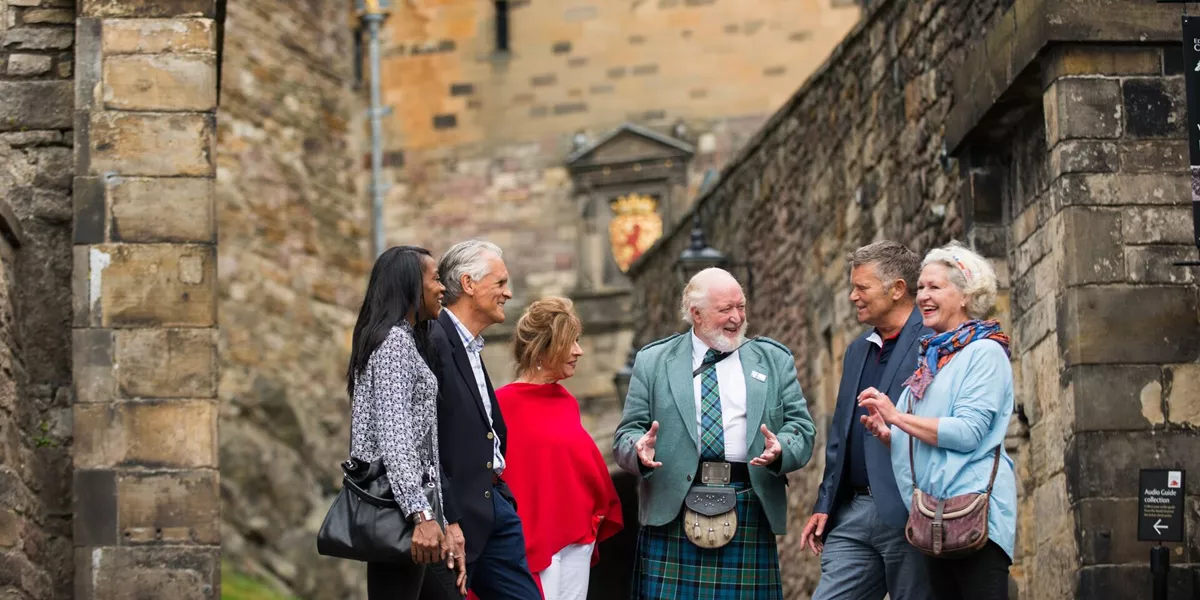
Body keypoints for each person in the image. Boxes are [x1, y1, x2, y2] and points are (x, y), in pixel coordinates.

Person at [613, 267, 817, 600]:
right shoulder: (654, 361)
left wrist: (782, 448)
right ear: (696, 314)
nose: (737, 317)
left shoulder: (773, 360)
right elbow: (627, 432)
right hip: (673, 510)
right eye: (726, 309)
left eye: (741, 306)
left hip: (746, 503)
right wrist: (637, 449)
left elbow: (802, 428)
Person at [859, 242, 1017, 600]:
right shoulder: (934, 358)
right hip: (932, 519)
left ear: (965, 295)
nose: (922, 297)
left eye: (935, 287)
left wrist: (898, 417)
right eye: (921, 288)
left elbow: (966, 433)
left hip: (974, 517)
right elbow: (925, 435)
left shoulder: (985, 353)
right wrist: (891, 433)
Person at [800, 241, 933, 599]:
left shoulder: (933, 343)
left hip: (909, 509)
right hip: (853, 514)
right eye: (852, 287)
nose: (852, 296)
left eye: (862, 287)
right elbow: (840, 435)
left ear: (898, 290)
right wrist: (826, 503)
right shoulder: (858, 349)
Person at [346, 246, 466, 599]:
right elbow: (396, 437)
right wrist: (421, 515)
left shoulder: (407, 340)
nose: (443, 287)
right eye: (434, 279)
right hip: (400, 513)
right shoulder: (393, 343)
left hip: (414, 511)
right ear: (410, 286)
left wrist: (437, 517)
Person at [427, 240, 542, 599]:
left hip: (493, 509)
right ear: (468, 283)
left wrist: (501, 498)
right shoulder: (431, 340)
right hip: (452, 518)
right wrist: (447, 517)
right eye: (500, 283)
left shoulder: (472, 345)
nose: (508, 293)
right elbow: (424, 439)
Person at [495, 297, 624, 600]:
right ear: (543, 348)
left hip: (576, 537)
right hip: (531, 542)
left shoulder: (566, 401)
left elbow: (579, 468)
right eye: (570, 342)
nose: (579, 351)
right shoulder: (500, 405)